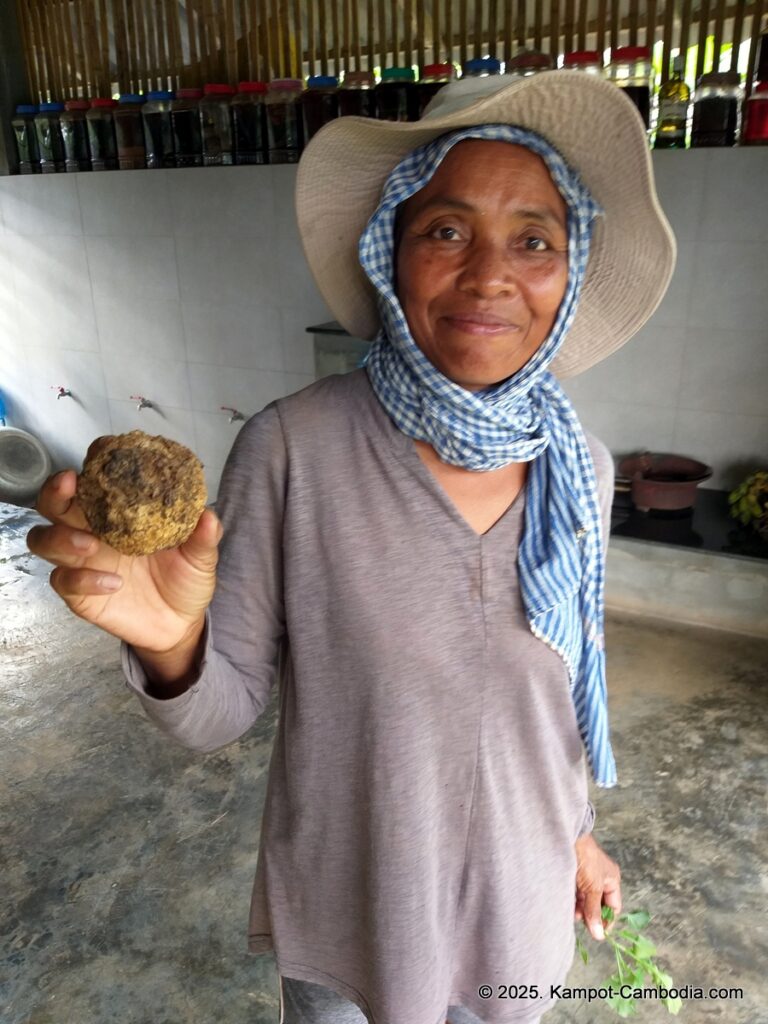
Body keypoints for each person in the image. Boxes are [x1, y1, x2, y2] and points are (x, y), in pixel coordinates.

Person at [27, 70, 676, 1024]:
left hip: (516, 908)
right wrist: (170, 644)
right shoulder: (295, 447)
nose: (490, 273)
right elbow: (218, 712)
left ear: (566, 273)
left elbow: (559, 693)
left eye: (533, 240)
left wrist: (577, 835)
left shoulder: (581, 463)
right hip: (355, 916)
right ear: (393, 255)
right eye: (446, 230)